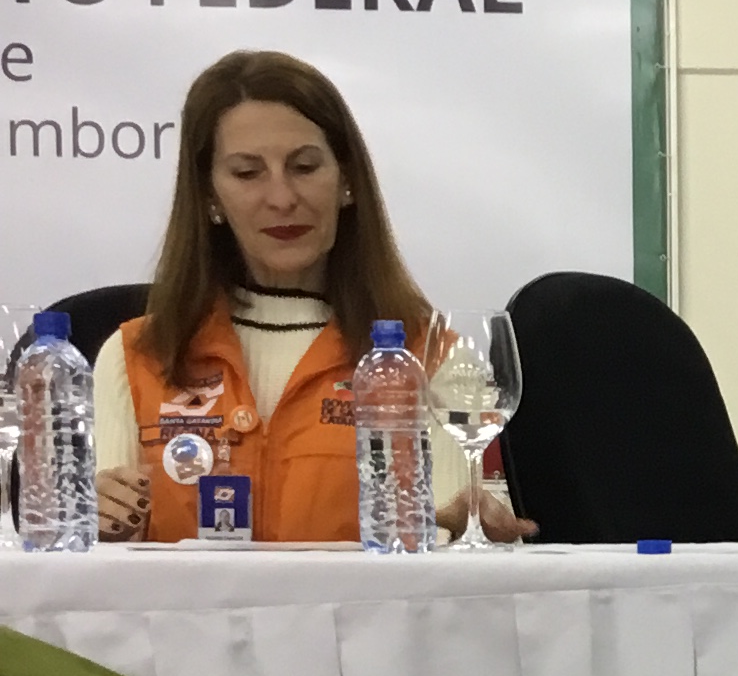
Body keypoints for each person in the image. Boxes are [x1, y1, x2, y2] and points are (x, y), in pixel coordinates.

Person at [94, 49, 525, 546]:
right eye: (247, 173)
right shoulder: (134, 358)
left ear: (347, 181)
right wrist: (98, 525)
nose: (282, 198)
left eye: (304, 166)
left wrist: (458, 527)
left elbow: (457, 551)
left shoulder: (429, 357)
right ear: (209, 196)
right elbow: (94, 568)